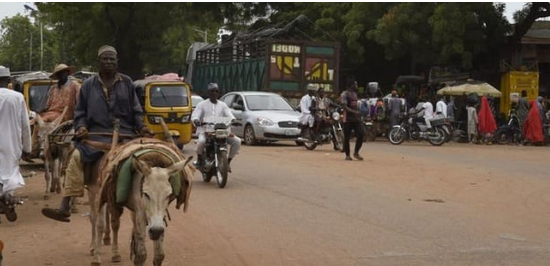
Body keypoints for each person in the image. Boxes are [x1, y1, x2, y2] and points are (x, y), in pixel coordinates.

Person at [42, 45, 153, 222]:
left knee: (149, 163)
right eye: (105, 59)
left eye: (112, 59)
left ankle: (152, 205)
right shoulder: (87, 86)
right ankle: (66, 204)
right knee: (75, 158)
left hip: (125, 136)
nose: (109, 62)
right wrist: (81, 127)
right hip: (95, 137)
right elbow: (80, 113)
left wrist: (143, 127)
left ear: (117, 62)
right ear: (98, 62)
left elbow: (136, 110)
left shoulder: (127, 83)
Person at [0, 65, 32, 218]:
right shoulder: (17, 97)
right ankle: (7, 198)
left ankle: (4, 199)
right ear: (8, 80)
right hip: (11, 143)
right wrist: (27, 148)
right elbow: (26, 125)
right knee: (9, 173)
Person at [31, 63, 81, 155]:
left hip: (65, 113)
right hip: (51, 112)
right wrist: (43, 109)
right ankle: (34, 149)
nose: (60, 75)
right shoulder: (53, 88)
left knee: (44, 119)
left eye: (62, 73)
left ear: (67, 73)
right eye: (59, 74)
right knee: (36, 121)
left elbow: (79, 101)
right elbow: (49, 104)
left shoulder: (74, 86)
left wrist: (77, 114)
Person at [192, 83, 241, 171]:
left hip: (221, 131)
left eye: (216, 91)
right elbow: (195, 115)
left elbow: (229, 115)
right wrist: (196, 120)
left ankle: (228, 162)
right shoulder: (202, 104)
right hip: (206, 130)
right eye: (212, 91)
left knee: (237, 141)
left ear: (219, 93)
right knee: (201, 141)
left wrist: (233, 120)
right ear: (208, 93)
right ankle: (199, 159)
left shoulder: (223, 105)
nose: (214, 93)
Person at [340, 78, 364, 161]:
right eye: (355, 84)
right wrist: (354, 112)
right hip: (347, 119)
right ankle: (347, 155)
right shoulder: (344, 94)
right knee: (347, 137)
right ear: (351, 85)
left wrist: (358, 113)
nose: (357, 86)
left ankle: (356, 152)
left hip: (356, 119)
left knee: (361, 134)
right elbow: (344, 107)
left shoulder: (355, 94)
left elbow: (356, 105)